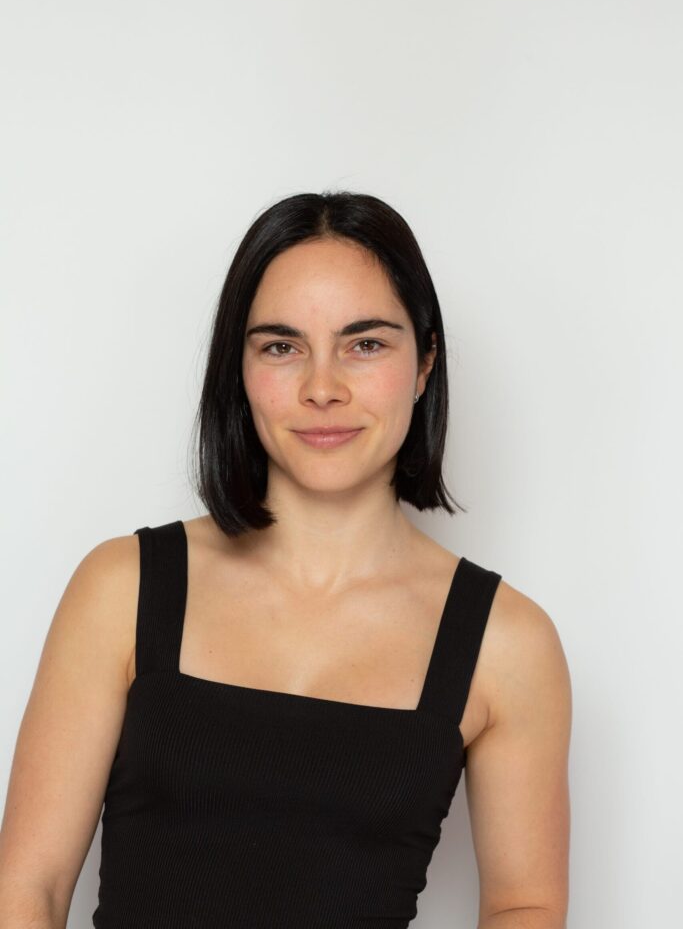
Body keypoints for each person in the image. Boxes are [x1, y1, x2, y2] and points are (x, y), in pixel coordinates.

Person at [0, 191, 572, 928]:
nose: (322, 388)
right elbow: (30, 888)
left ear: (424, 364)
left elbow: (523, 905)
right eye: (281, 347)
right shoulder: (122, 587)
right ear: (238, 369)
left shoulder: (506, 642)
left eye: (365, 344)